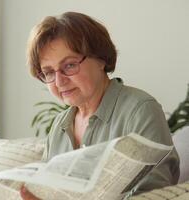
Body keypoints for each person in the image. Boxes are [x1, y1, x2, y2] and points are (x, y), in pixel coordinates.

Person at [20, 11, 180, 199]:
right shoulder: (59, 126)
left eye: (69, 65)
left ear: (100, 59)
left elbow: (154, 194)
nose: (59, 81)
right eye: (48, 72)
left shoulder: (140, 110)